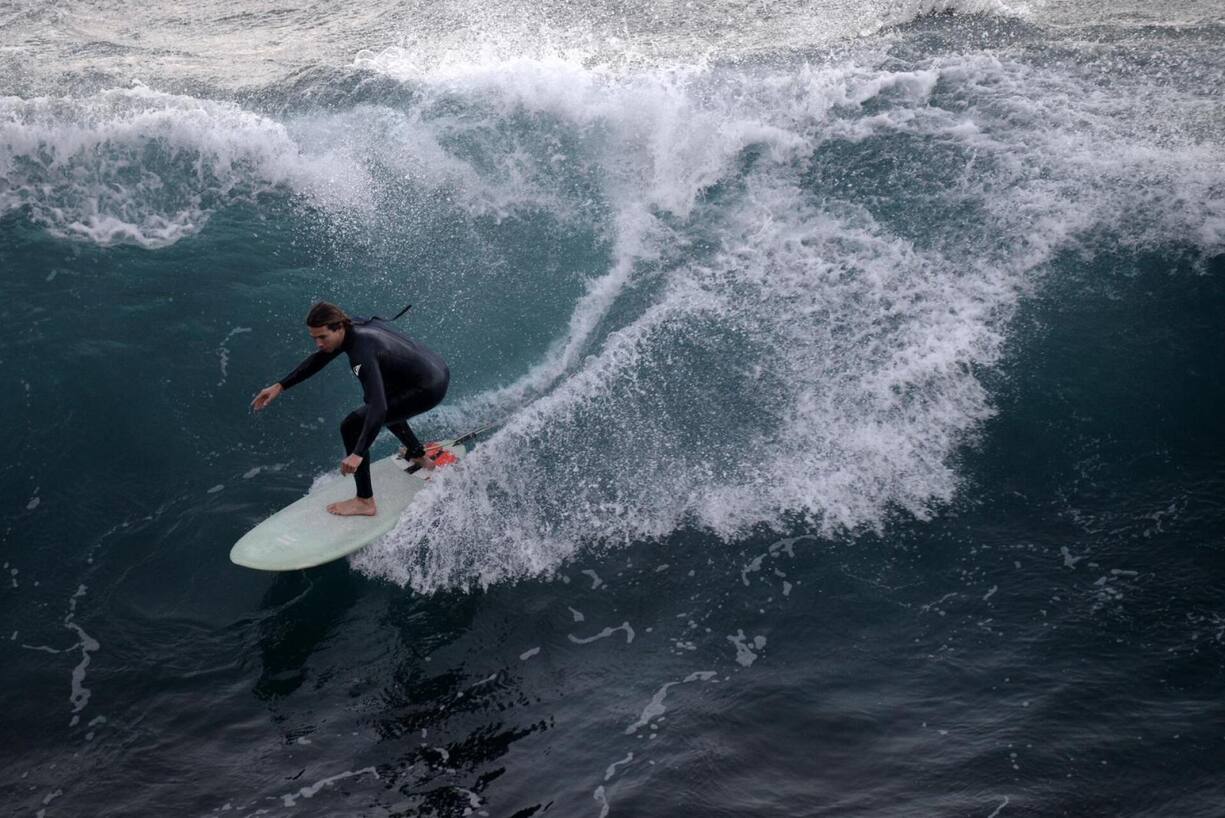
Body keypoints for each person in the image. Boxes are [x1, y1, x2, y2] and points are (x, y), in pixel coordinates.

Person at [251, 301, 449, 517]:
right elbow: (319, 359)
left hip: (427, 388)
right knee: (381, 400)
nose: (318, 343)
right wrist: (280, 386)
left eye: (322, 337)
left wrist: (357, 453)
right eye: (314, 338)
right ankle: (418, 455)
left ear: (338, 328)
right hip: (433, 369)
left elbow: (378, 408)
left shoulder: (360, 354)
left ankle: (365, 501)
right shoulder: (351, 327)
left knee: (352, 425)